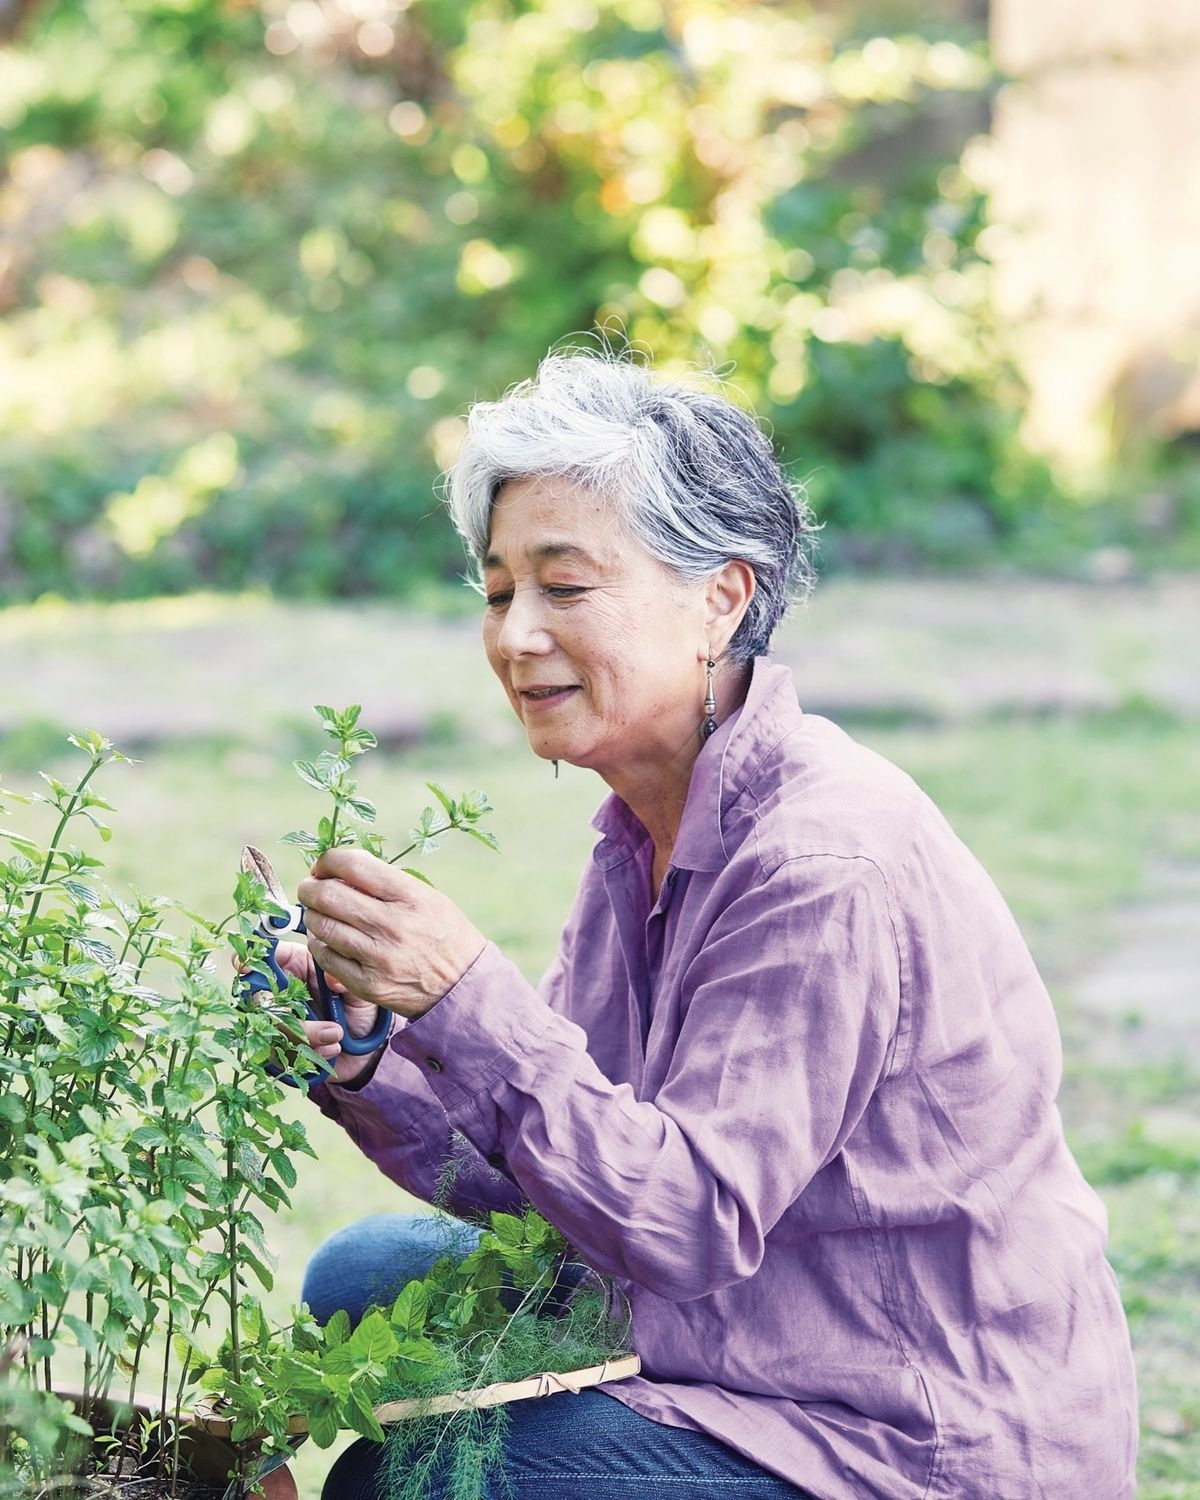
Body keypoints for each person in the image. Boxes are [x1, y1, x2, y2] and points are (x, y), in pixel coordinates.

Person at [279, 351, 1138, 1499]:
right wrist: (367, 1058)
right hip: (731, 1323)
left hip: (896, 1430)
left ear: (720, 599)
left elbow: (680, 1222)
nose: (515, 635)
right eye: (497, 592)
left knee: (411, 1485)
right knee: (362, 1278)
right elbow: (558, 1174)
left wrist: (464, 990)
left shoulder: (821, 863)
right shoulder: (643, 828)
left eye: (564, 587)